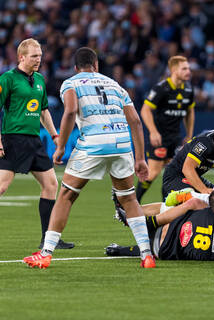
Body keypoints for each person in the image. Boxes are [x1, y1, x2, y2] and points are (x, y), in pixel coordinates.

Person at [23, 47, 155, 269]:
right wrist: (140, 158)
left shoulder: (71, 83)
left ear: (76, 68)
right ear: (97, 66)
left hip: (93, 143)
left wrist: (61, 147)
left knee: (65, 195)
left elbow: (71, 111)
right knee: (129, 199)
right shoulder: (115, 85)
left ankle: (46, 253)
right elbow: (136, 122)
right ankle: (146, 254)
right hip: (122, 145)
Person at [0, 38, 73, 249]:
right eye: (34, 56)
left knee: (51, 185)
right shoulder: (8, 79)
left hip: (33, 141)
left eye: (40, 55)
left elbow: (43, 111)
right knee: (2, 187)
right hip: (13, 139)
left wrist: (54, 135)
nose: (38, 59)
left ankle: (48, 239)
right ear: (21, 57)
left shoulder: (40, 79)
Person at [107, 177, 214, 261]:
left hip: (172, 228)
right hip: (164, 248)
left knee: (190, 203)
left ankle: (139, 219)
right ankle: (120, 248)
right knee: (154, 248)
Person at [136, 55, 195, 203]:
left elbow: (190, 113)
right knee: (153, 172)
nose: (188, 71)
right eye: (184, 68)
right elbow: (145, 110)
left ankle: (166, 205)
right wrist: (153, 132)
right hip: (160, 137)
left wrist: (189, 134)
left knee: (173, 173)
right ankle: (131, 203)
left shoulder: (188, 89)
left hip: (175, 138)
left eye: (188, 68)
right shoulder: (161, 88)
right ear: (174, 70)